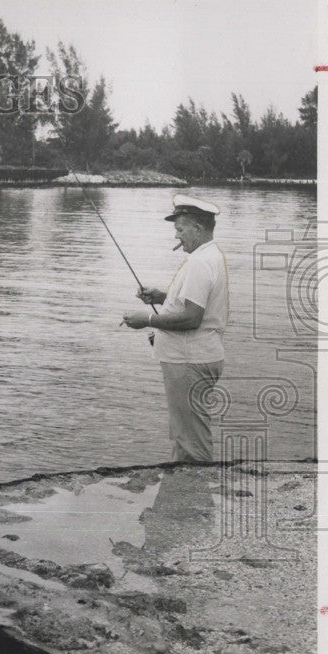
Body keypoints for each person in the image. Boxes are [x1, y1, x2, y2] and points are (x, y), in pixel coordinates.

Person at [122, 194, 228, 463]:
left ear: (198, 228)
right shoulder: (210, 256)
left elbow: (192, 318)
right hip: (195, 357)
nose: (177, 237)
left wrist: (146, 319)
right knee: (184, 434)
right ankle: (184, 496)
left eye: (181, 230)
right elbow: (193, 302)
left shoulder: (199, 262)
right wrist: (161, 297)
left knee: (192, 441)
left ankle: (196, 498)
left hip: (189, 361)